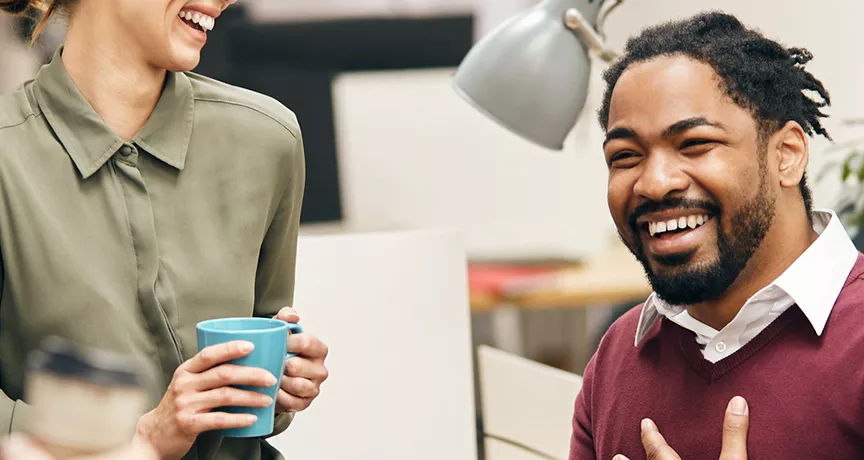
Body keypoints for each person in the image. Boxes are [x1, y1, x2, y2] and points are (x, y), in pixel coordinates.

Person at [0, 0, 329, 459]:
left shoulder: (268, 138)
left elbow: (263, 371)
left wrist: (280, 381)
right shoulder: (7, 157)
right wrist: (140, 439)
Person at [570, 11, 864, 459]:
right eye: (625, 156)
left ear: (786, 154)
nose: (654, 182)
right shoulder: (616, 358)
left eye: (695, 144)